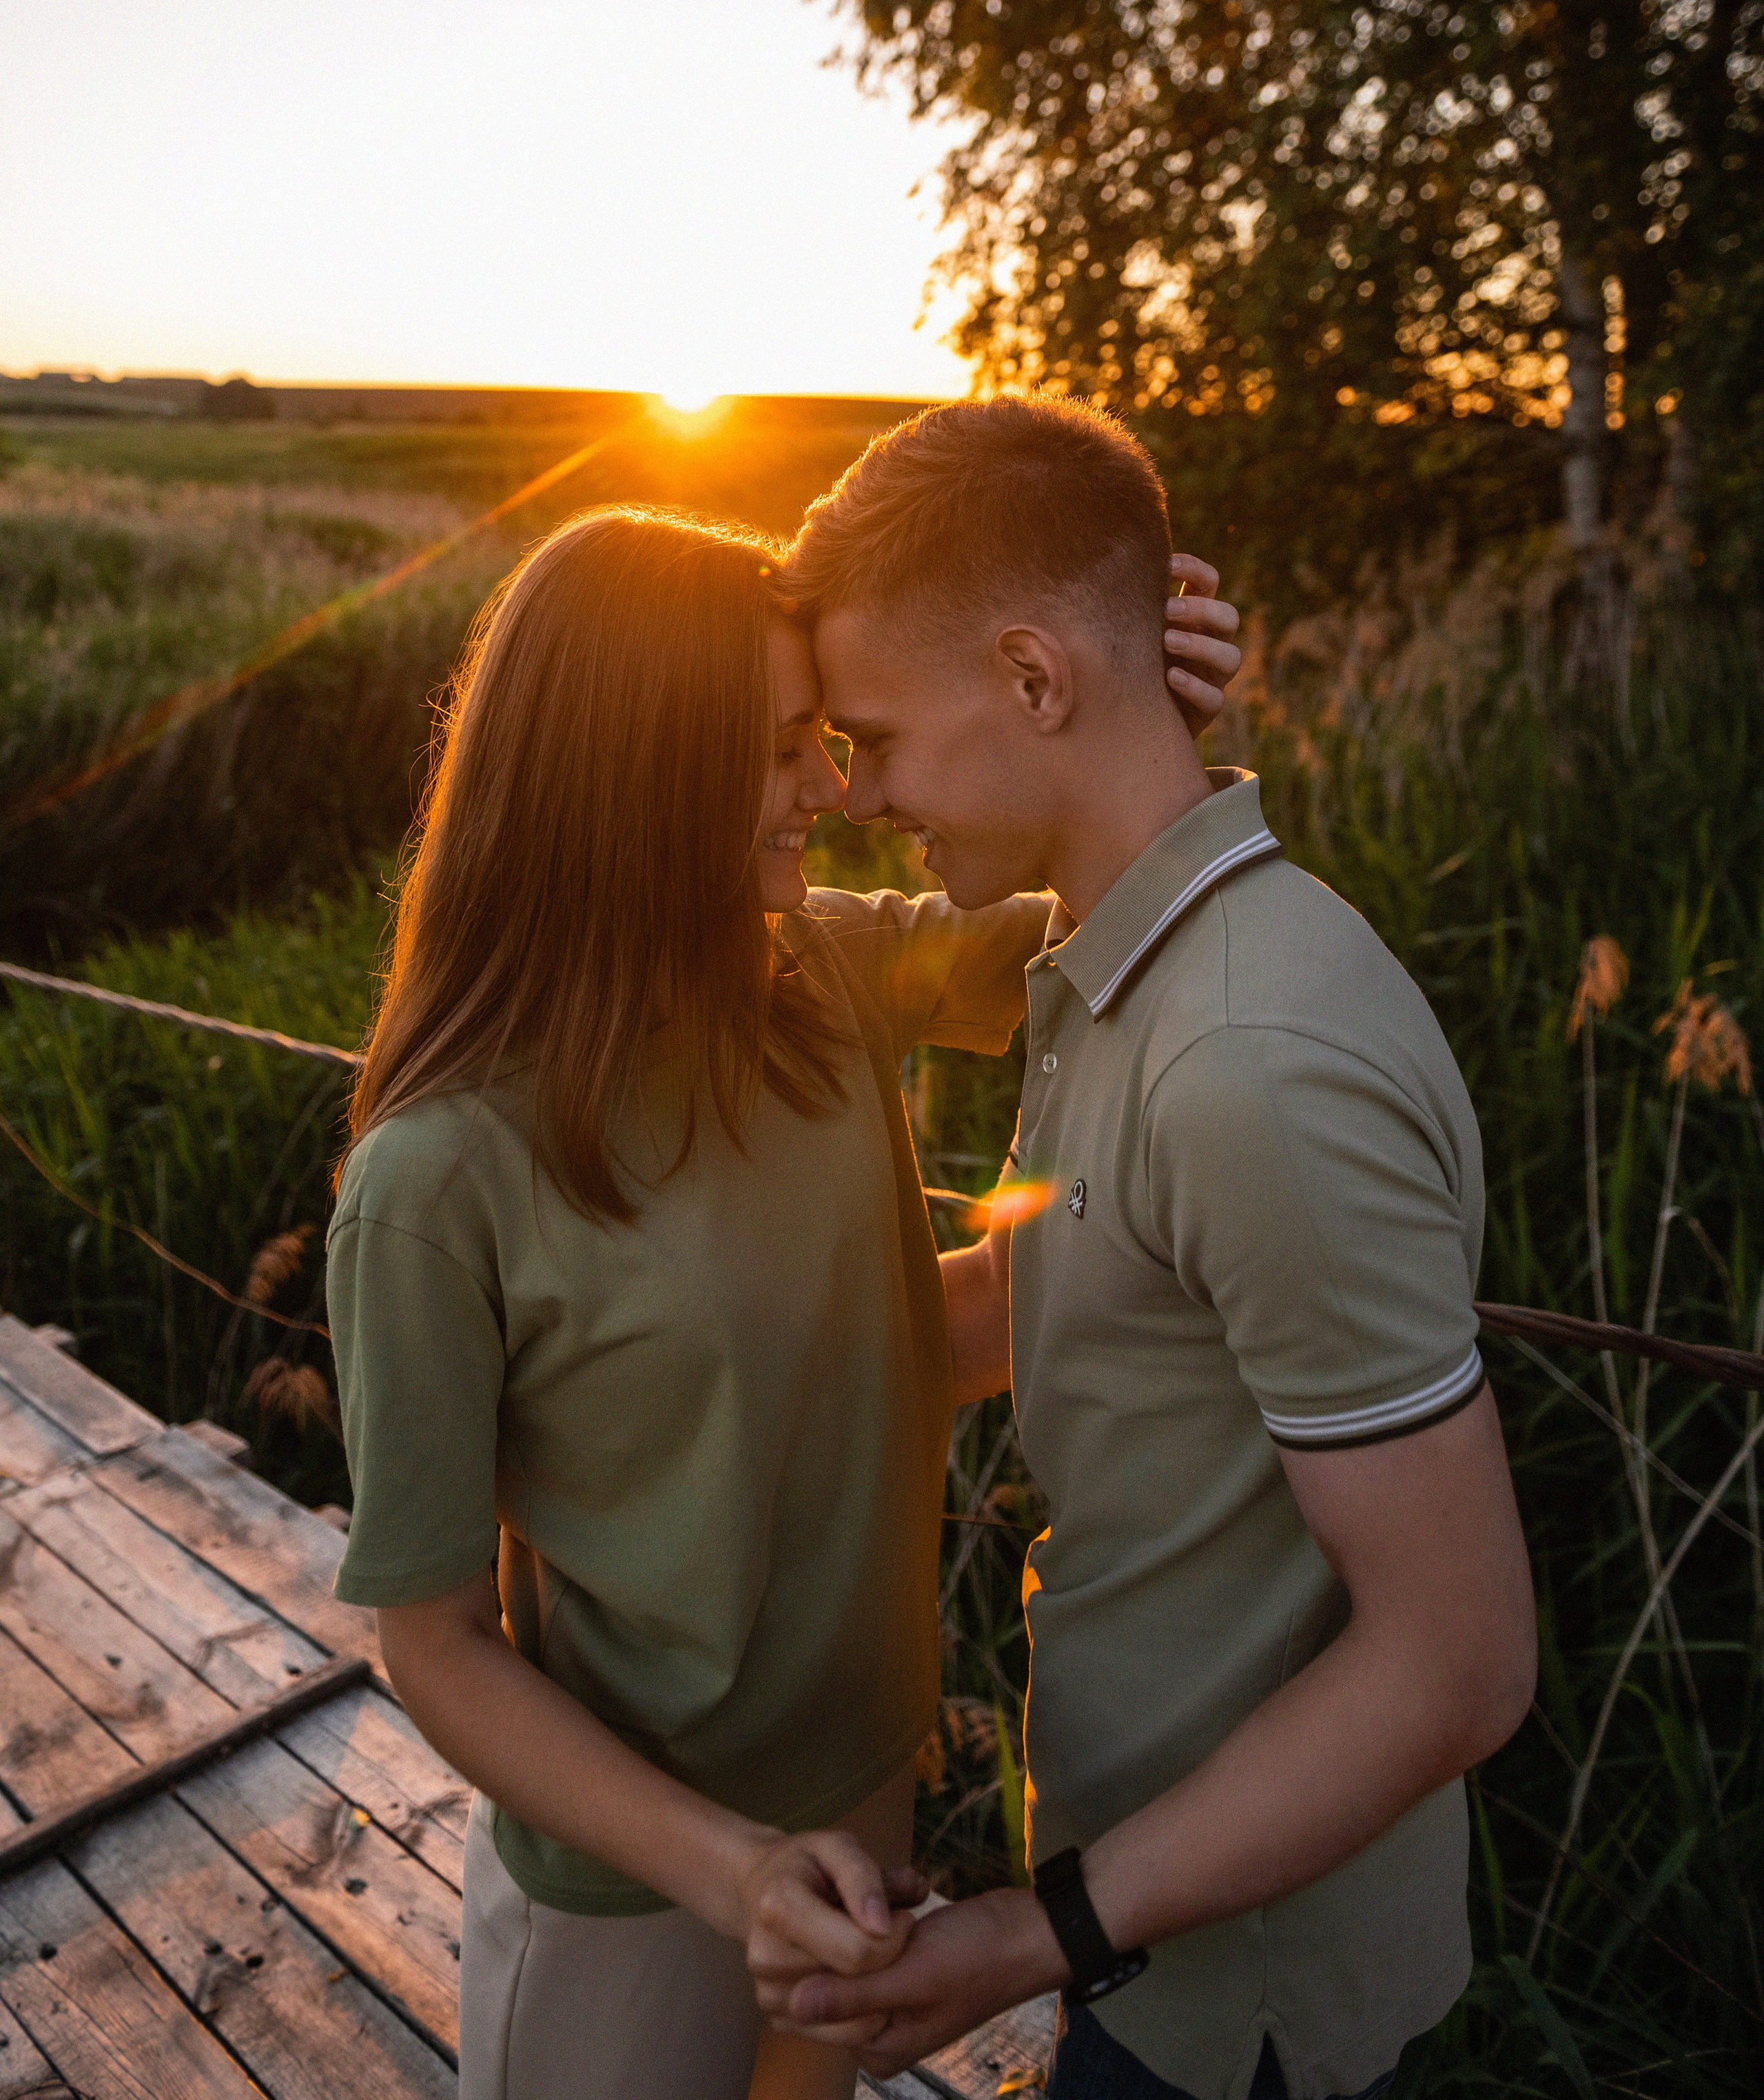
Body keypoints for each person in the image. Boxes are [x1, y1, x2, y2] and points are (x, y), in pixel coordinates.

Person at [324, 497, 1240, 2100]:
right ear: (632, 774)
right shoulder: (436, 1175)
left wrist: (1132, 721)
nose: (827, 785)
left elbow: (1117, 919)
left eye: (820, 736)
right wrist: (726, 1865)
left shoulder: (819, 973)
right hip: (632, 1881)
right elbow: (436, 1640)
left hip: (859, 1801)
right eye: (774, 749)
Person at [761, 395, 1537, 2100]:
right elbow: (1052, 1306)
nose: (856, 789)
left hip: (1242, 2003)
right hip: (1152, 1940)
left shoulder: (1248, 1064)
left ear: (1035, 682)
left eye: (874, 736)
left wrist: (1031, 1937)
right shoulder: (1121, 968)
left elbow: (1458, 1659)